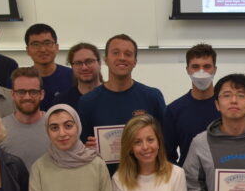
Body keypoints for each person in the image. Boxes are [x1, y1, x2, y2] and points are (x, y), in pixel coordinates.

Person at [77, 34, 166, 166]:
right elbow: (81, 146)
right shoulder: (87, 102)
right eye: (116, 53)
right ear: (106, 60)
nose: (122, 58)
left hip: (145, 175)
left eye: (128, 54)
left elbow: (165, 141)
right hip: (105, 176)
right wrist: (87, 147)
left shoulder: (152, 97)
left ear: (135, 61)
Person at [162, 43, 220, 166]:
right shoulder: (174, 110)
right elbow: (167, 155)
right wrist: (179, 175)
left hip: (223, 175)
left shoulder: (227, 107)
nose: (201, 72)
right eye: (195, 66)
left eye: (207, 66)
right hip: (188, 176)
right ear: (187, 70)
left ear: (215, 69)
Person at [1, 67, 50, 169]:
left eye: (33, 92)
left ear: (42, 94)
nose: (27, 97)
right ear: (13, 94)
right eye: (21, 92)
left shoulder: (55, 126)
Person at [23, 23, 74, 111]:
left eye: (47, 43)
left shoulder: (73, 76)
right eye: (36, 44)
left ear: (57, 47)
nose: (42, 49)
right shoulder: (18, 80)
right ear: (28, 50)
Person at [53, 42, 103, 110]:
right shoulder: (61, 102)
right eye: (78, 63)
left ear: (99, 63)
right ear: (72, 66)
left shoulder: (113, 96)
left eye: (89, 61)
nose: (84, 68)